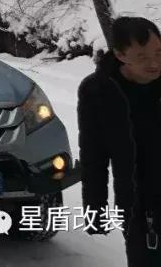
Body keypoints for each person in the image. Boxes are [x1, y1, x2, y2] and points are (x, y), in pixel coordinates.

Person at [78, 16, 161, 266]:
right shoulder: (99, 91)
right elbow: (93, 155)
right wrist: (95, 211)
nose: (155, 63)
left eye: (159, 52)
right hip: (139, 206)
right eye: (142, 57)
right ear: (120, 55)